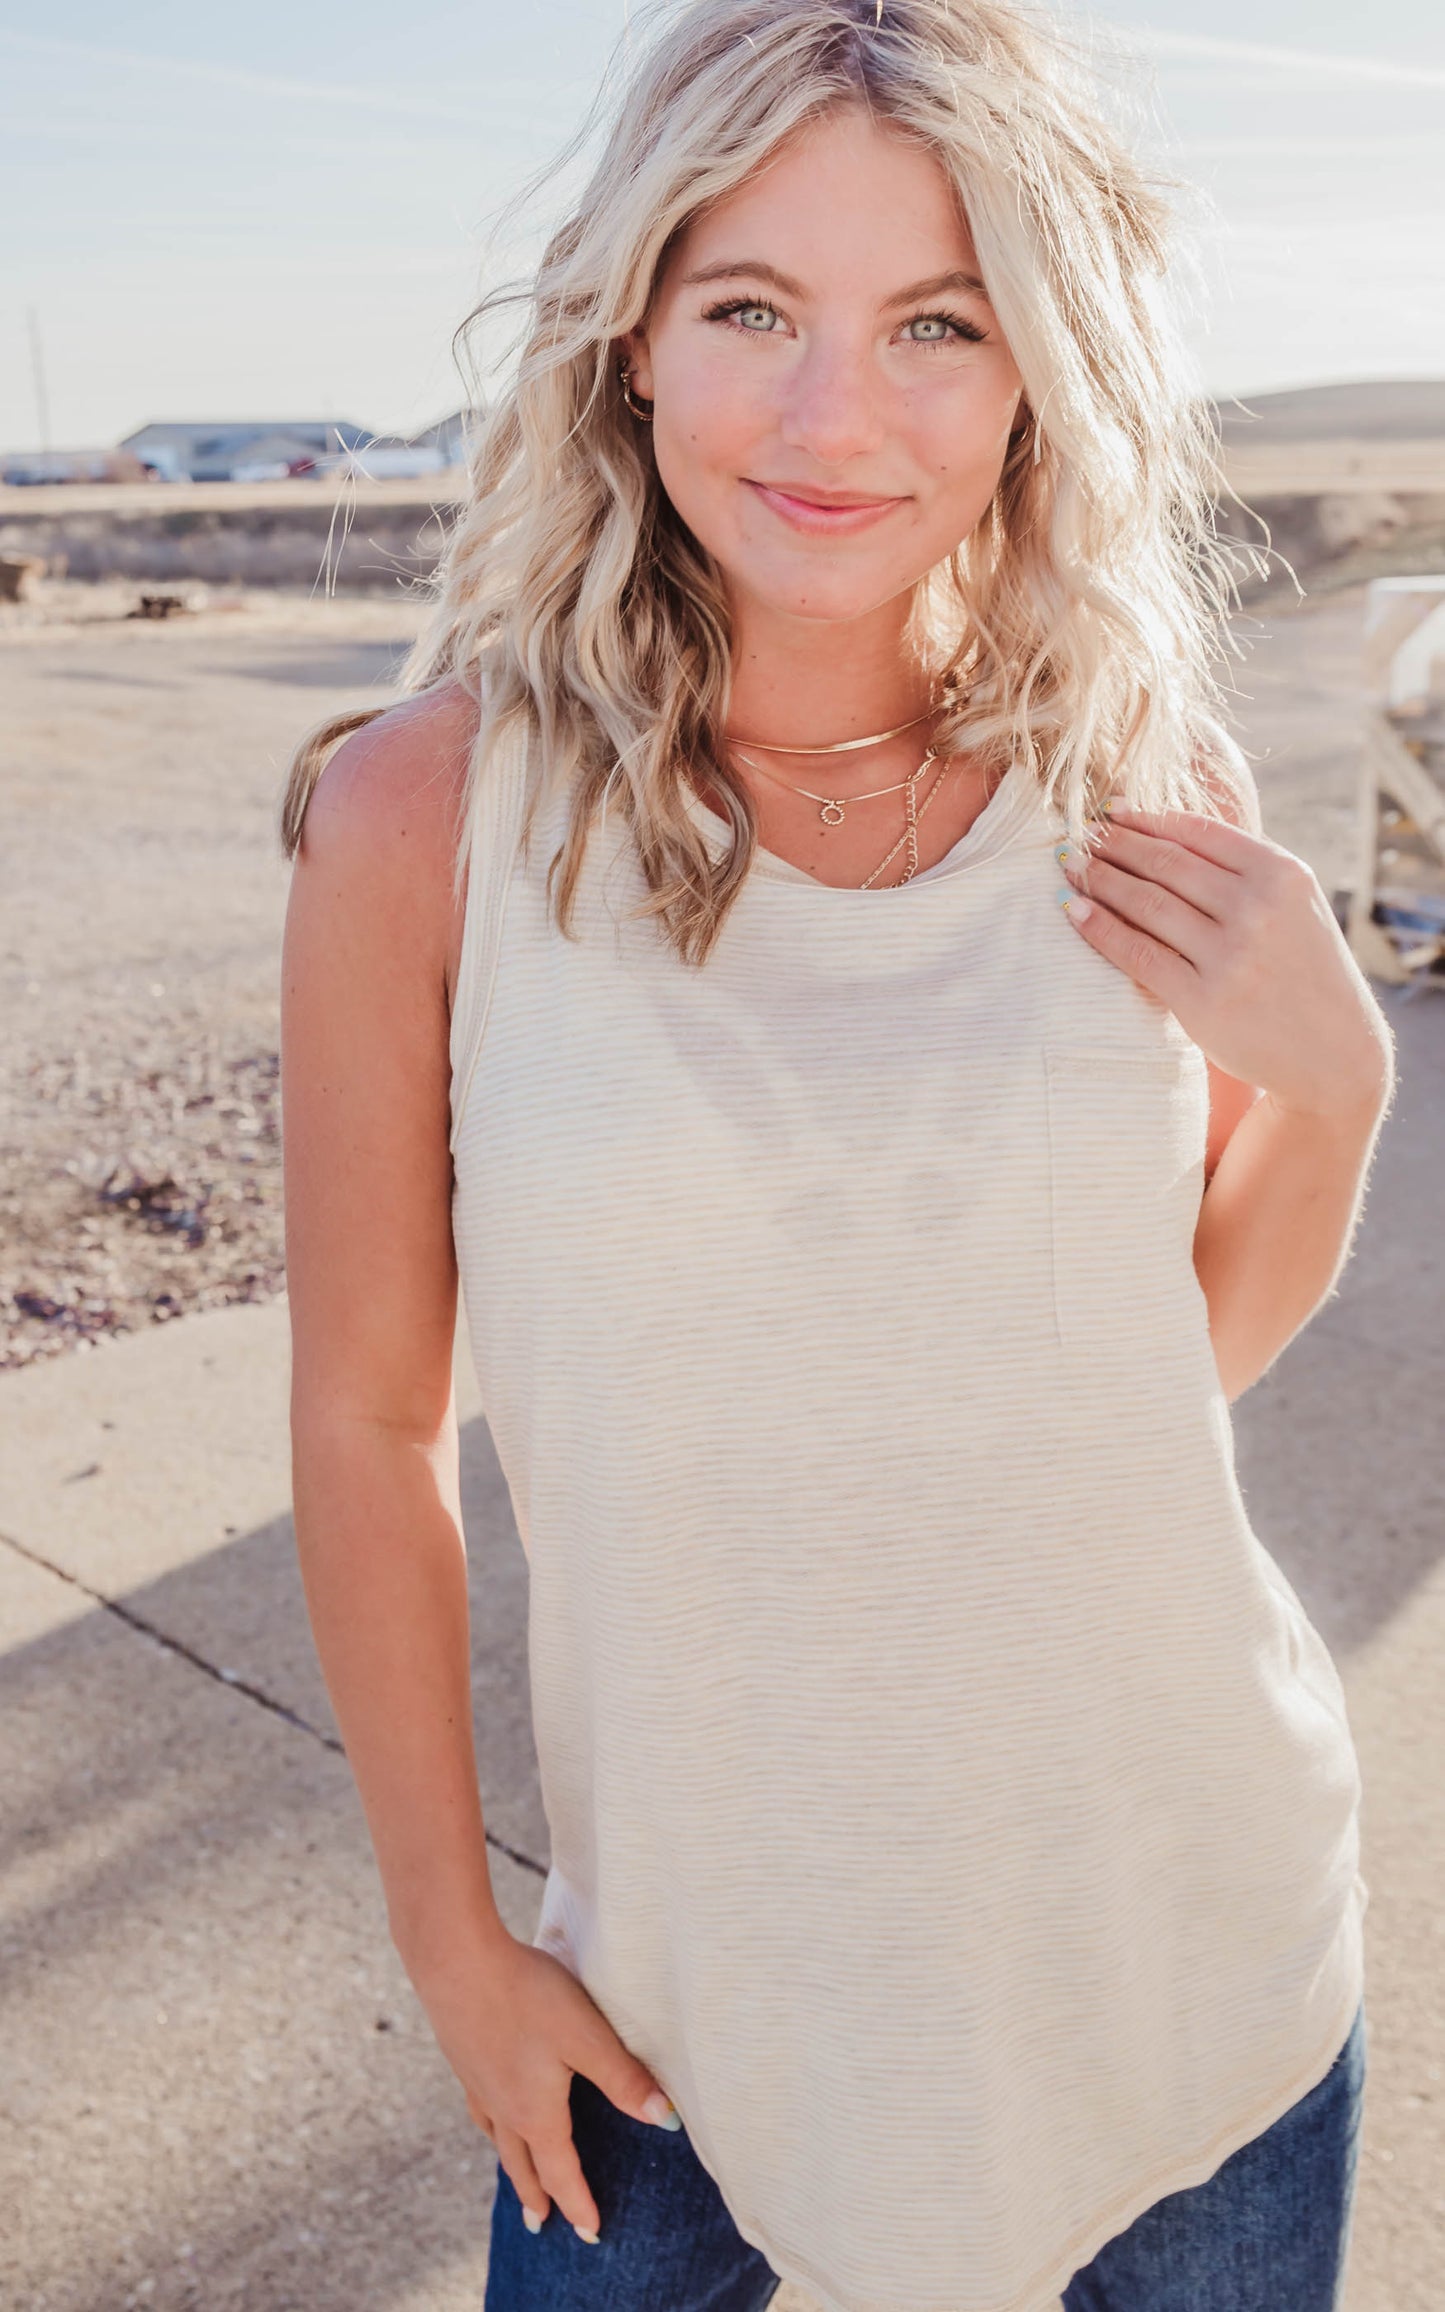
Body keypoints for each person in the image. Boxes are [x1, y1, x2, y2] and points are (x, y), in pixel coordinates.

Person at [277, 2, 1395, 2306]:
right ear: (634, 339)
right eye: (753, 310)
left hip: (1193, 1994)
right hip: (675, 2033)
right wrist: (455, 1939)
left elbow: (1157, 1374)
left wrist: (1336, 1086)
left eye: (933, 325)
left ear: (1029, 376)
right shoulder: (426, 818)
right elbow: (374, 1415)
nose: (828, 416)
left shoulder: (1144, 776)